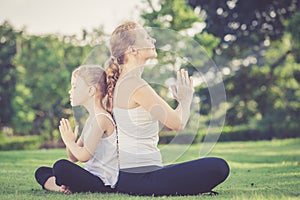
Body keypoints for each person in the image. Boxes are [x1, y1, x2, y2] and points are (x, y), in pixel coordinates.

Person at [105, 21, 230, 196]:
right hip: (141, 179)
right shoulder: (134, 84)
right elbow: (177, 123)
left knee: (197, 168)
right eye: (146, 37)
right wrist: (186, 100)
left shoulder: (126, 82)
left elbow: (174, 118)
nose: (153, 39)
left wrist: (181, 102)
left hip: (138, 177)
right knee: (219, 166)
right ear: (132, 49)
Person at [34, 65, 118, 194]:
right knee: (41, 171)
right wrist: (71, 142)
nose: (70, 91)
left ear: (91, 91)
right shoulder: (91, 119)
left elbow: (84, 156)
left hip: (102, 182)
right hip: (90, 176)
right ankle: (62, 188)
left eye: (74, 86)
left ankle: (66, 187)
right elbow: (74, 157)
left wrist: (69, 142)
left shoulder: (101, 119)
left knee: (60, 166)